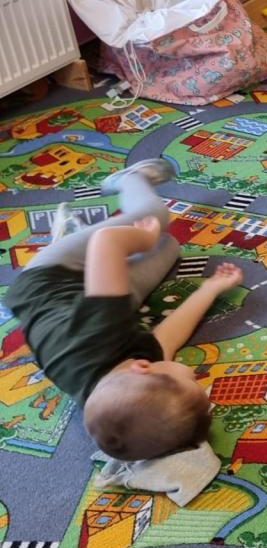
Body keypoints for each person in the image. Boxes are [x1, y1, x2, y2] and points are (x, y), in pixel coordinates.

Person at [5, 159, 242, 461]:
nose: (195, 374)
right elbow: (169, 336)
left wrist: (145, 238)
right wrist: (211, 288)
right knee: (169, 247)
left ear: (143, 368)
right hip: (92, 304)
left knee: (156, 219)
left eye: (192, 381)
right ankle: (106, 269)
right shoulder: (117, 396)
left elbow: (108, 242)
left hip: (52, 274)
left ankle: (129, 178)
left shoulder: (103, 329)